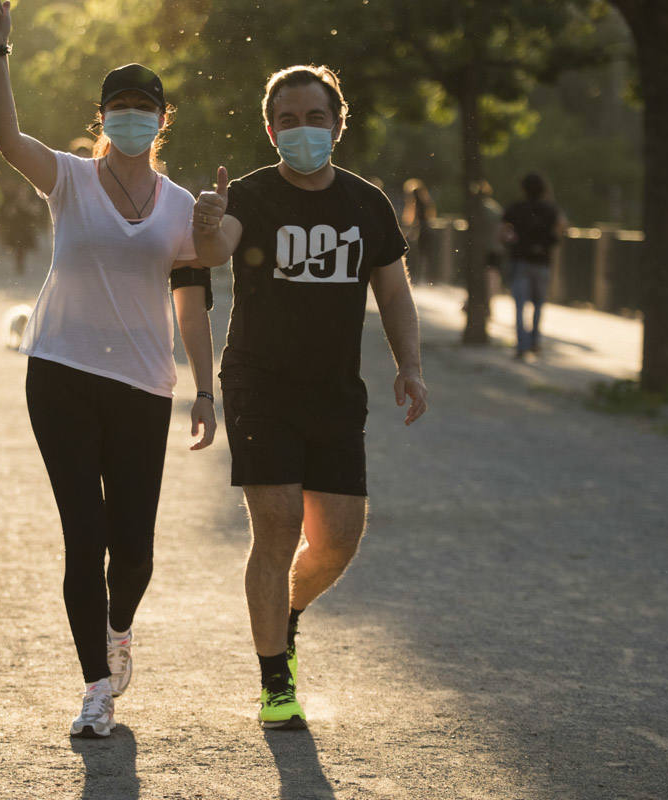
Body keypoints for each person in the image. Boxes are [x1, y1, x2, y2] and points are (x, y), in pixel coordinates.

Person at [0, 0, 216, 739]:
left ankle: (118, 629)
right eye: (120, 106)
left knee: (134, 549)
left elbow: (193, 298)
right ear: (102, 115)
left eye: (145, 107)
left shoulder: (181, 208)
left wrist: (207, 389)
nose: (132, 116)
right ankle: (94, 688)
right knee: (85, 533)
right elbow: (8, 137)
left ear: (162, 119)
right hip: (60, 373)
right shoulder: (70, 180)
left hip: (144, 387)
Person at [192, 64, 428, 730]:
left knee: (339, 541)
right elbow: (214, 254)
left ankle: (284, 616)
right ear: (271, 130)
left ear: (338, 124)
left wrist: (409, 365)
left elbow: (395, 293)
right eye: (287, 121)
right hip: (258, 385)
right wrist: (208, 223)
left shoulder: (367, 203)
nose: (301, 131)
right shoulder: (249, 196)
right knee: (277, 528)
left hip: (334, 392)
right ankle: (275, 683)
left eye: (314, 118)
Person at [499, 173, 567, 359]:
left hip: (520, 260)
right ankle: (535, 342)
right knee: (538, 304)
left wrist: (511, 242)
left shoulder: (516, 208)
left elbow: (504, 232)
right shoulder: (551, 209)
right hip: (542, 261)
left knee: (520, 306)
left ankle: (521, 346)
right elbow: (562, 226)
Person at [0, 179, 43, 274]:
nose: (23, 193)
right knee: (18, 247)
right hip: (16, 227)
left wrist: (26, 206)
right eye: (21, 190)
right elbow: (8, 213)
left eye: (25, 191)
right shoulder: (13, 200)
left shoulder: (32, 200)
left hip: (27, 227)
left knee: (24, 247)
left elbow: (37, 211)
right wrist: (14, 207)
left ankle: (22, 264)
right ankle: (19, 265)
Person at [401, 178, 436, 284]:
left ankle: (417, 277)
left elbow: (412, 219)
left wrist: (407, 232)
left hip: (421, 231)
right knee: (427, 255)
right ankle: (428, 277)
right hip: (427, 230)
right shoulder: (426, 201)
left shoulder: (415, 203)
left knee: (417, 254)